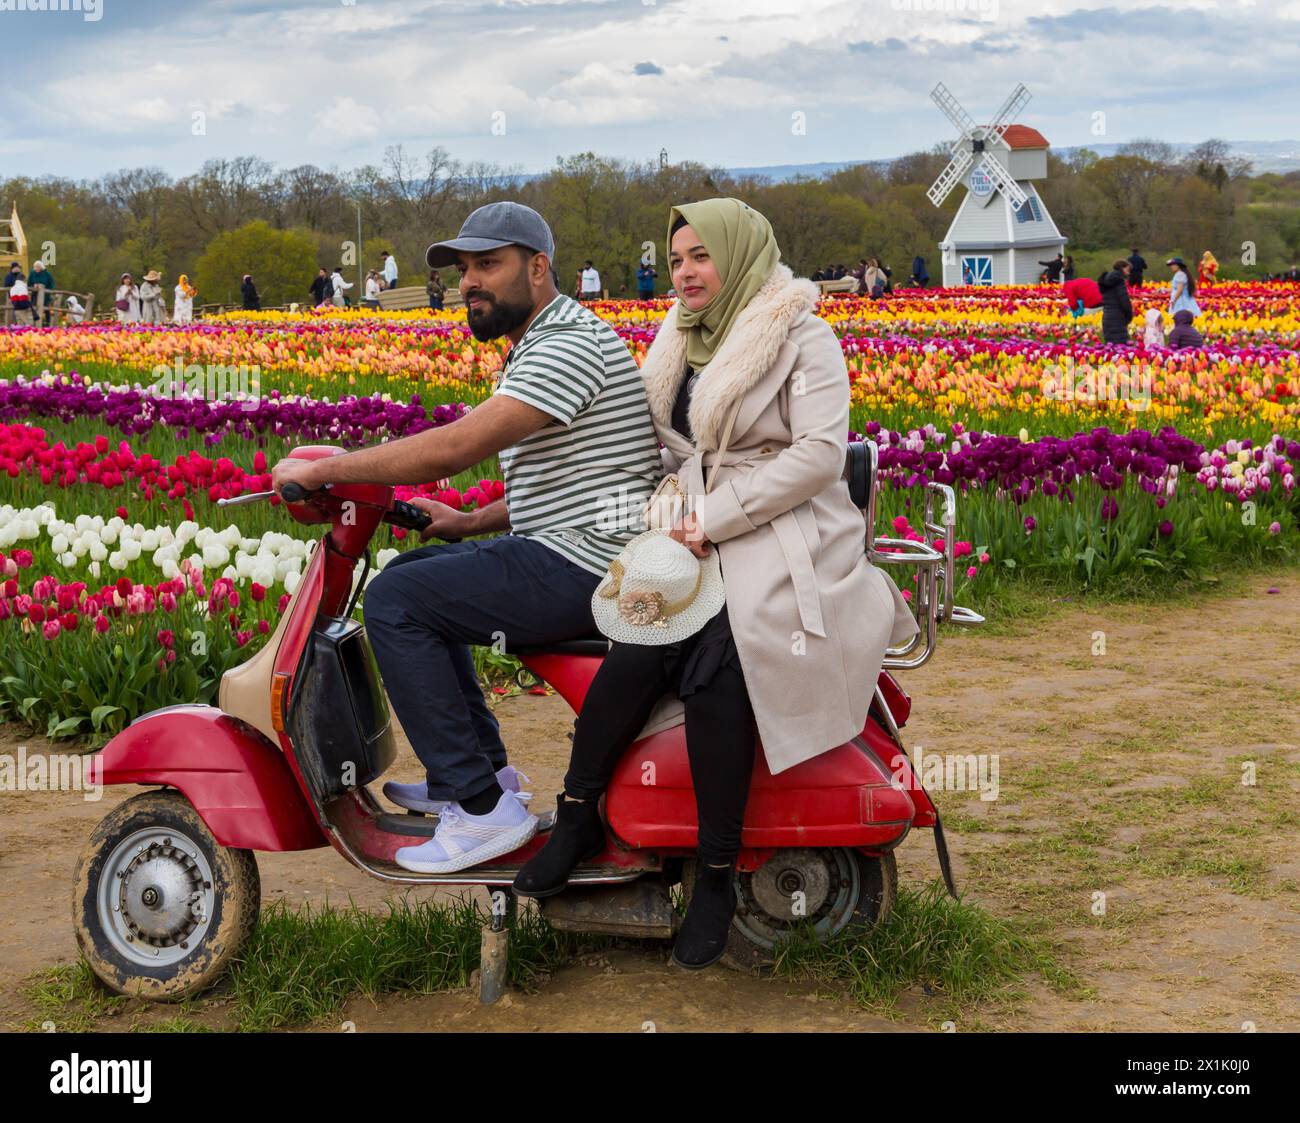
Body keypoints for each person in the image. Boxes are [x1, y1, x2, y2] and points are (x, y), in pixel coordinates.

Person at [510, 197, 919, 968]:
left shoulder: (804, 335)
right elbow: (665, 450)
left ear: (740, 253)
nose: (687, 272)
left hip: (789, 531)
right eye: (676, 260)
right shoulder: (677, 338)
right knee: (637, 636)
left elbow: (819, 456)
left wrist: (716, 517)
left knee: (719, 663)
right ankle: (576, 815)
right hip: (696, 521)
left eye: (702, 255)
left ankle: (718, 876)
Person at [271, 201, 662, 873]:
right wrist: (469, 521)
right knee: (428, 577)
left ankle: (482, 812)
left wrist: (325, 470)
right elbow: (572, 481)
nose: (470, 283)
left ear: (539, 268)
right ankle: (473, 778)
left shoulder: (566, 344)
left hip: (595, 568)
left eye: (489, 264)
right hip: (585, 550)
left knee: (399, 598)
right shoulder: (543, 340)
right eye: (464, 270)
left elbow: (454, 449)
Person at [1099, 259, 1134, 344]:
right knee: (1121, 347)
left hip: (1107, 317)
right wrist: (1129, 316)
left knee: (1110, 347)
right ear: (1122, 268)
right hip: (1118, 318)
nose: (1129, 273)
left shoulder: (1106, 281)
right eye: (1128, 270)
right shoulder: (1119, 281)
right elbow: (1124, 301)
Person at [27, 259, 55, 326]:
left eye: (38, 267)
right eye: (35, 267)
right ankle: (35, 323)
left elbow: (52, 284)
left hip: (45, 295)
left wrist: (45, 288)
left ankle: (47, 323)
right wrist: (33, 285)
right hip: (35, 294)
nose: (36, 268)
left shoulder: (47, 274)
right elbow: (29, 283)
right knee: (34, 308)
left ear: (41, 267)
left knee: (46, 309)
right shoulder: (32, 273)